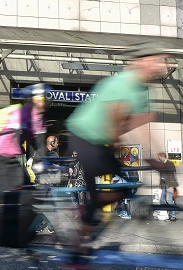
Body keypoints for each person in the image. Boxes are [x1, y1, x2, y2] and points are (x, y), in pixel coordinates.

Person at [64, 43, 171, 260]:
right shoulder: (120, 83)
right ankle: (78, 246)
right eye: (157, 60)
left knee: (124, 188)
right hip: (83, 135)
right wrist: (132, 151)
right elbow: (115, 123)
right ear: (140, 63)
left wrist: (155, 156)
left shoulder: (142, 92)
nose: (162, 66)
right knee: (98, 189)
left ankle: (86, 217)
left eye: (164, 61)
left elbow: (142, 126)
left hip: (100, 142)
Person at [0, 83, 47, 195]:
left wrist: (41, 162)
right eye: (40, 99)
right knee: (7, 194)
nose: (43, 103)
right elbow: (16, 138)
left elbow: (38, 143)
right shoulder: (20, 113)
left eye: (44, 100)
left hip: (16, 156)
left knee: (28, 187)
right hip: (1, 155)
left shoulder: (41, 120)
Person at [155, 152, 179, 222]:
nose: (158, 159)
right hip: (164, 185)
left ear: (162, 157)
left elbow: (172, 175)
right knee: (163, 200)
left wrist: (171, 186)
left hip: (169, 185)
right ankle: (170, 214)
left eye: (159, 157)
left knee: (169, 200)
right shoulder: (163, 165)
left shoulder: (170, 164)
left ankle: (173, 216)